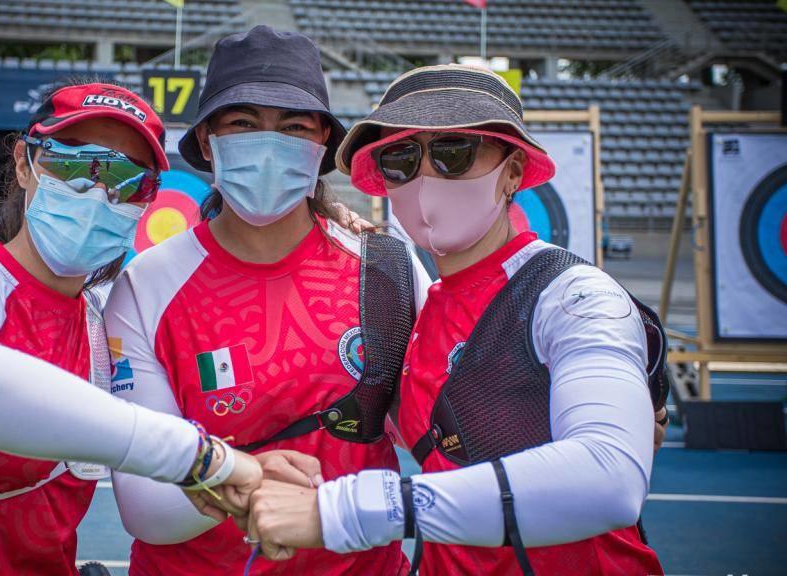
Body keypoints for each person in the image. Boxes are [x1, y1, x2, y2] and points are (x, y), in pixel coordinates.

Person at [242, 64, 668, 575]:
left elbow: (610, 478)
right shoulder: (421, 310)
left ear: (513, 171)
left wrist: (344, 513)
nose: (425, 177)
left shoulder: (572, 296)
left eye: (453, 152)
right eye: (400, 159)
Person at [0, 81, 262, 575]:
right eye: (75, 165)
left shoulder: (106, 318)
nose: (98, 192)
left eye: (128, 181)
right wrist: (196, 456)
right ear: (23, 163)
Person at [104, 26, 430, 575]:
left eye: (294, 126)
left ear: (322, 144)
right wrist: (255, 477)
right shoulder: (146, 286)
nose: (268, 143)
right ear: (207, 140)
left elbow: (439, 439)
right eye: (243, 123)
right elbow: (147, 510)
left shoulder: (385, 269)